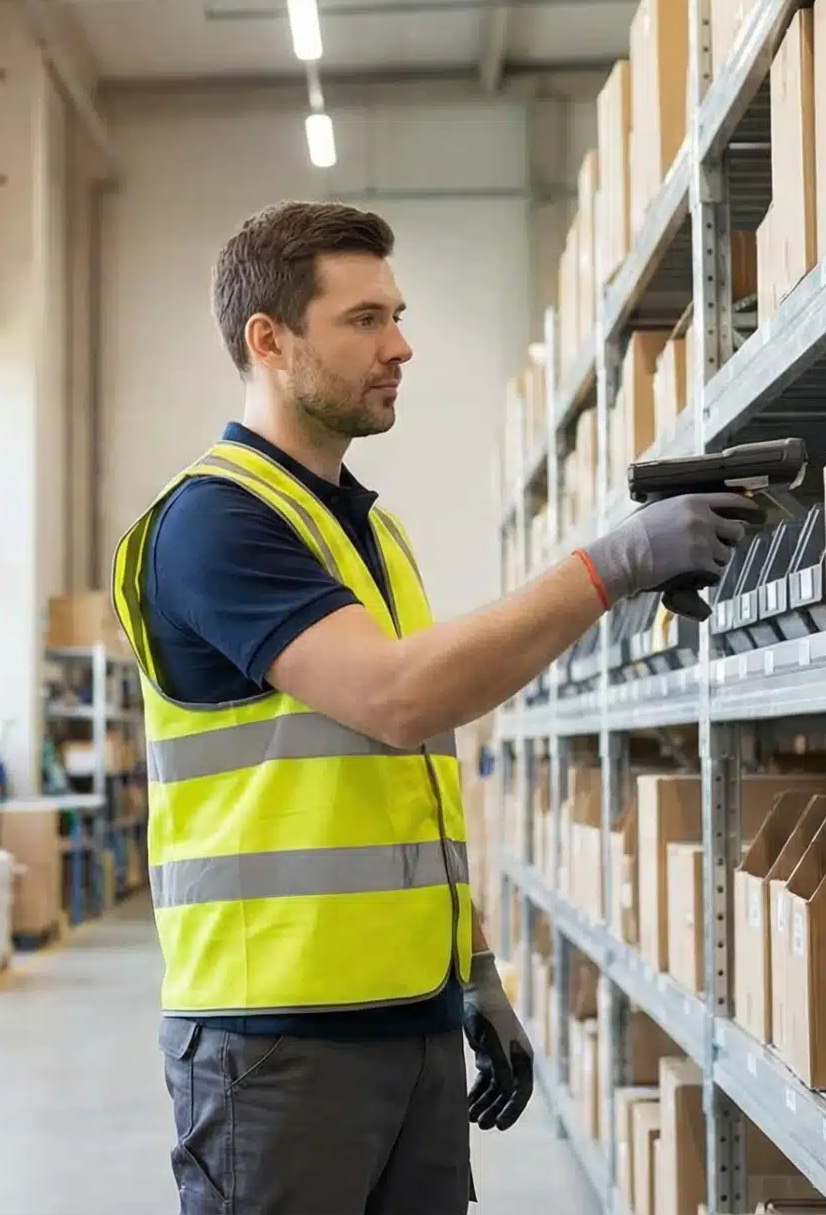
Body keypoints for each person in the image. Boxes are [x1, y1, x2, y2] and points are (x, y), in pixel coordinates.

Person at [109, 201, 757, 1214]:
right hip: (275, 1042)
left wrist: (475, 967)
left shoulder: (372, 535)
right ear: (268, 341)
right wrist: (615, 562)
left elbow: (408, 789)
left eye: (396, 315)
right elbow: (398, 698)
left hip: (406, 1023)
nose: (400, 345)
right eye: (363, 319)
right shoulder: (213, 523)